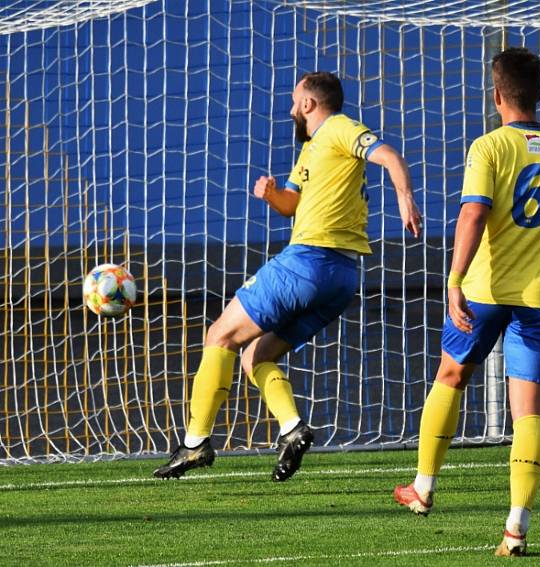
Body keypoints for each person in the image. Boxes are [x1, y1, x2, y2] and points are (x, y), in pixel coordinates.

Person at [154, 71, 422, 481]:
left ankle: (195, 444)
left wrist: (405, 198)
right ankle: (293, 429)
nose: (291, 109)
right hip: (341, 278)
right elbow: (291, 205)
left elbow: (388, 155)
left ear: (310, 105)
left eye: (295, 102)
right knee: (255, 356)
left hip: (308, 262)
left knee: (219, 336)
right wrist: (271, 194)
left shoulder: (339, 128)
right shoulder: (312, 150)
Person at [392, 47, 540, 557]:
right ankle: (516, 528)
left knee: (451, 376)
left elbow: (473, 216)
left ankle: (424, 487)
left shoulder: (488, 147)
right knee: (529, 414)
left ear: (496, 95)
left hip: (483, 291)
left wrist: (454, 279)